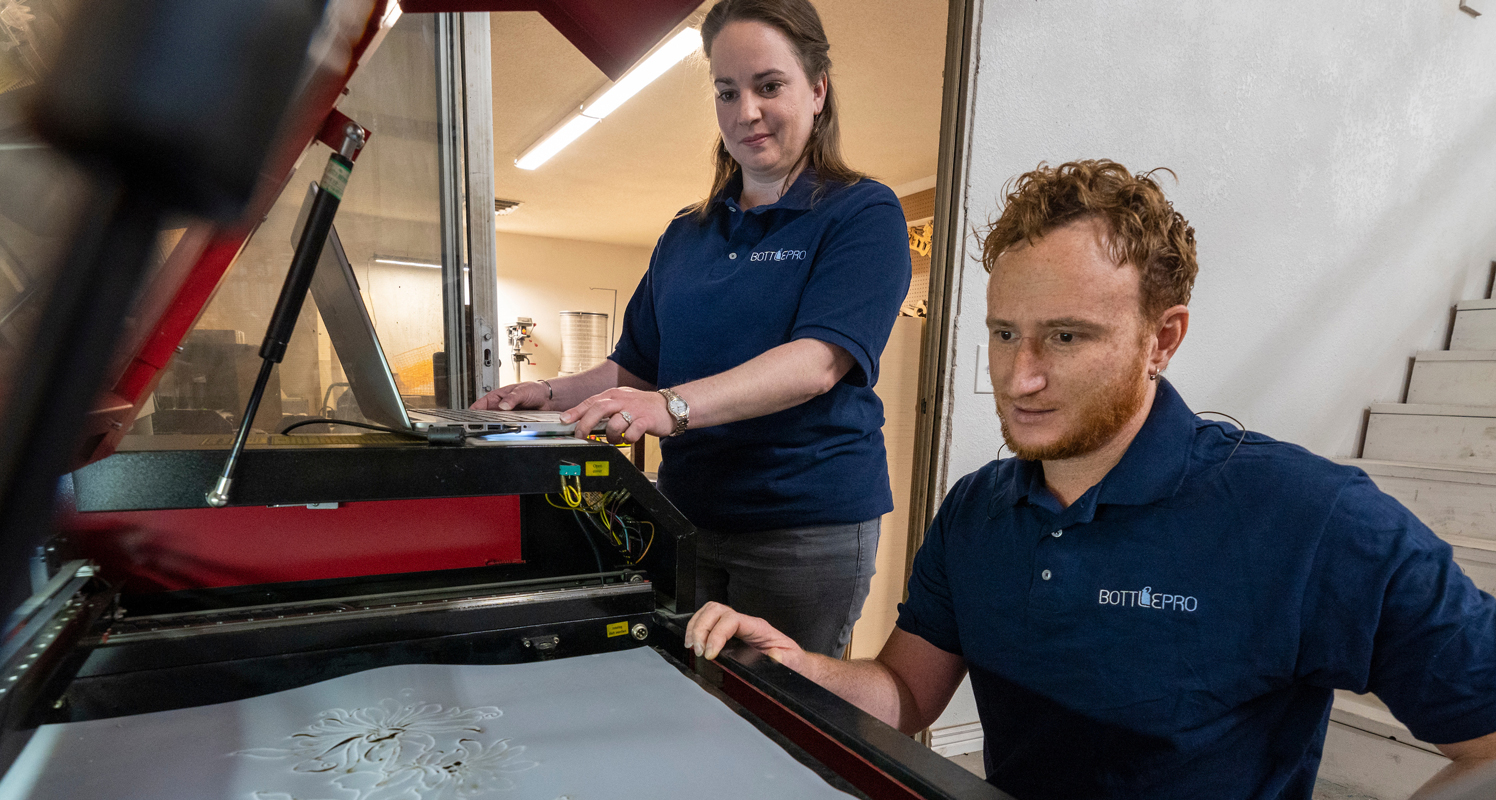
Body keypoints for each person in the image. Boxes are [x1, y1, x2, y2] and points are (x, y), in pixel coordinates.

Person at [684, 160, 1496, 799]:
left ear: (1161, 339)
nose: (1018, 377)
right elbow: (905, 693)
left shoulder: (1312, 520)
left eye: (1066, 337)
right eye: (1005, 333)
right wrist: (799, 669)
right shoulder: (978, 511)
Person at [471, 0, 910, 657]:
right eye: (727, 91)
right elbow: (637, 365)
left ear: (817, 91)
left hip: (801, 528)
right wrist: (551, 394)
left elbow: (818, 362)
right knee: (686, 688)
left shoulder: (860, 213)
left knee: (782, 711)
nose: (746, 112)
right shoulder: (687, 233)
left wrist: (671, 407)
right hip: (687, 517)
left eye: (769, 86)